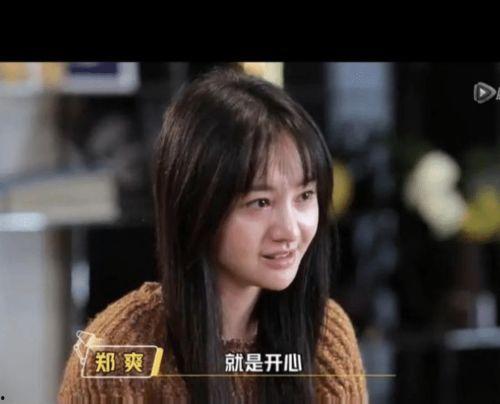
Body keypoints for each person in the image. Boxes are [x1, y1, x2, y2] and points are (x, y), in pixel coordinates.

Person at [58, 67, 368, 403]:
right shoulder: (117, 352)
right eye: (260, 202)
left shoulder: (325, 334)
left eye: (304, 196)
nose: (290, 230)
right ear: (197, 206)